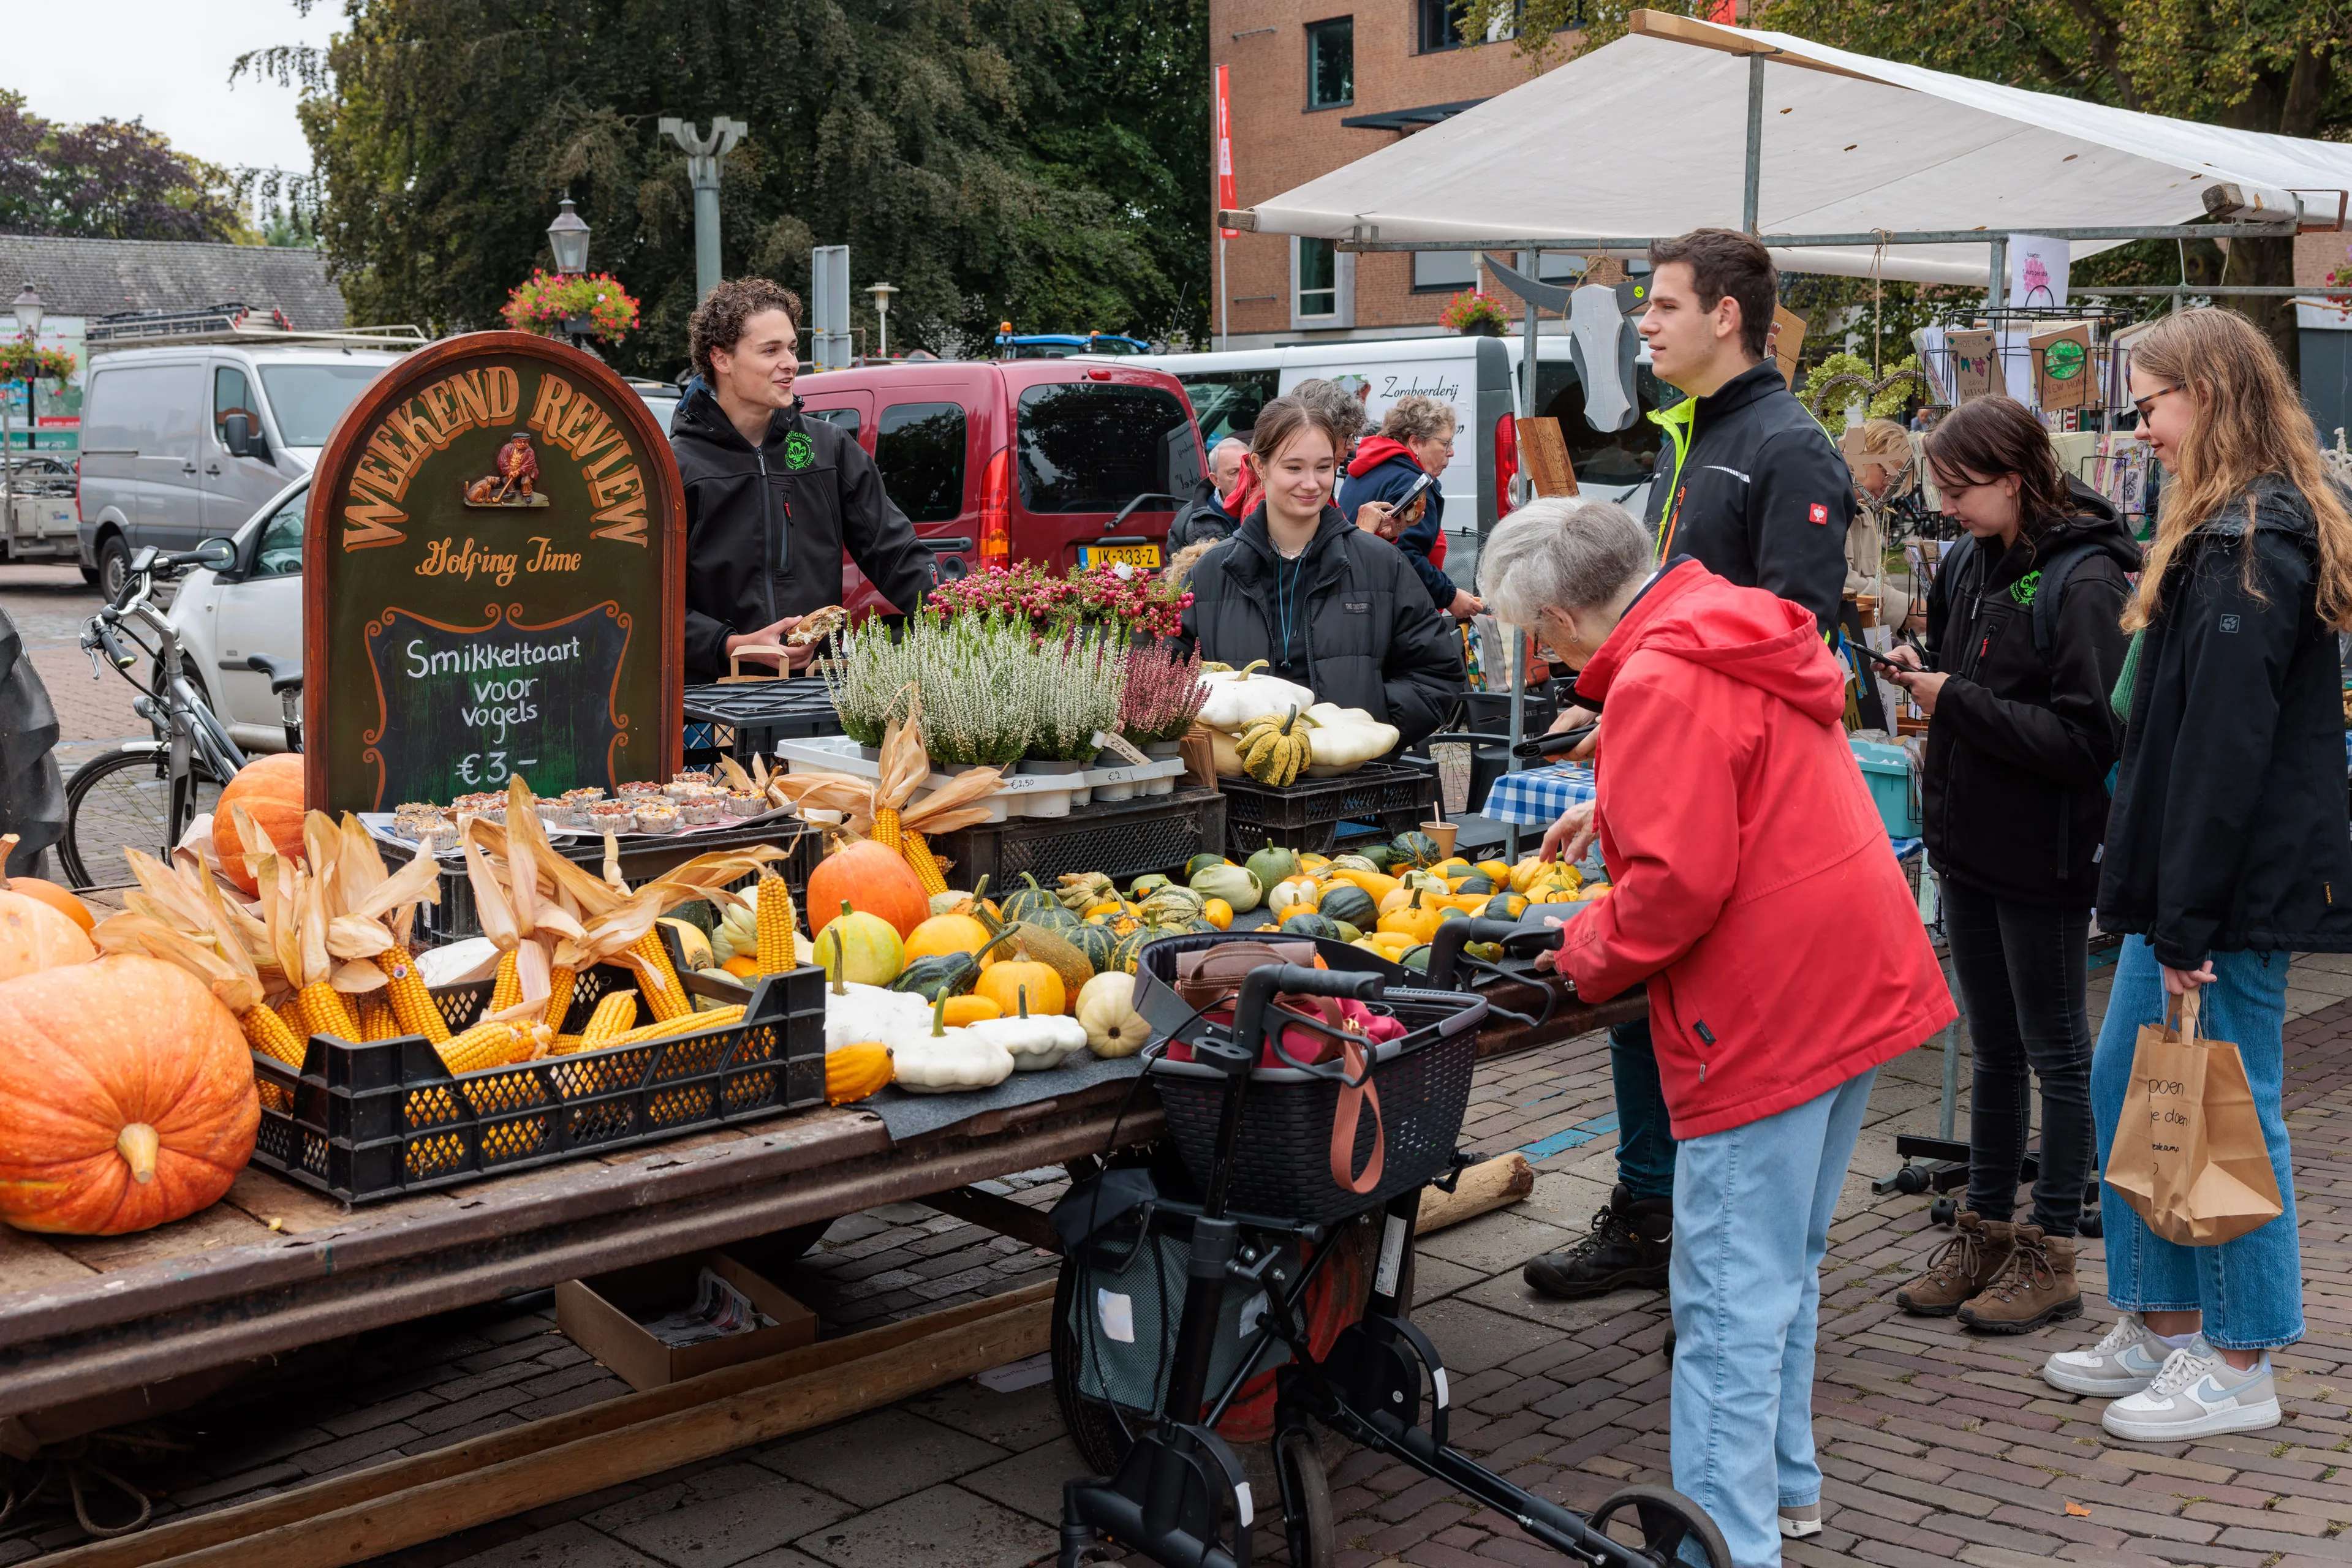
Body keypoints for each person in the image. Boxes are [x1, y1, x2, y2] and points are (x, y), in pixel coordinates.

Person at [1480, 497, 1953, 1564]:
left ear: (1558, 614)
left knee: (1727, 1293)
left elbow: (1674, 890)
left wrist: (1578, 949)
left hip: (1765, 1008)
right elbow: (1743, 776)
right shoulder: (1731, 624)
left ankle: (1720, 1546)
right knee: (1785, 1262)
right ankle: (1782, 1491)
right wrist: (1614, 801)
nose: (1543, 653)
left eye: (1538, 633)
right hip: (1853, 974)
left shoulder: (1654, 678)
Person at [1523, 227, 1855, 1303]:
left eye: (1660, 306)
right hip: (1672, 779)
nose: (1641, 327)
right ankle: (1648, 1212)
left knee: (1681, 998)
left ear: (1724, 316)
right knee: (1638, 1000)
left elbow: (1785, 648)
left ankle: (1698, 1259)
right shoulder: (1690, 434)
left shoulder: (1787, 448)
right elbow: (1669, 635)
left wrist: (1655, 767)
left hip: (1737, 817)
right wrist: (1618, 763)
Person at [2040, 308, 2352, 1441]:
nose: (2143, 425)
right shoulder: (2224, 529)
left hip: (2219, 893)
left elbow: (2223, 754)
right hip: (2186, 886)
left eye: (2153, 401)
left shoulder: (2244, 544)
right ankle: (2165, 1325)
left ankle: (2237, 1357)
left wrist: (2183, 921)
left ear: (2207, 397)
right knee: (2137, 1078)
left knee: (2226, 1106)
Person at [1876, 397, 2135, 1332]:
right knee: (1991, 1046)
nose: (1945, 506)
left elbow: (2089, 735)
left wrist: (1956, 700)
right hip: (1968, 841)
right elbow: (1969, 679)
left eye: (1958, 488)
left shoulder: (2085, 580)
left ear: (2013, 476)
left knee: (2056, 1051)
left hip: (2046, 850)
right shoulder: (1966, 561)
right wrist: (1925, 670)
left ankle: (2051, 1250)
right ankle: (1983, 1228)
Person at [669, 278, 936, 682]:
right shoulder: (674, 467)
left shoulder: (829, 450)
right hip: (711, 702)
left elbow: (896, 554)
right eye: (770, 350)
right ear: (721, 359)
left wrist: (967, 617)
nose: (791, 362)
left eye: (792, 347)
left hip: (815, 691)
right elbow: (645, 601)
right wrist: (731, 644)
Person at [1178, 396, 1462, 749]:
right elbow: (1168, 676)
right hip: (1244, 791)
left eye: (1324, 468)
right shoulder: (1212, 573)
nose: (1311, 484)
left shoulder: (1381, 565)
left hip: (1356, 790)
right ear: (1260, 467)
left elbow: (1436, 674)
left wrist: (1368, 731)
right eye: (1294, 468)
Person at [1338, 394, 1483, 621]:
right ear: (1415, 442)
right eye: (1445, 443)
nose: (1451, 452)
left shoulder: (1370, 467)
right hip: (1389, 613)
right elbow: (1406, 558)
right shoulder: (1412, 485)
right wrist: (1451, 596)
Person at [1168, 436, 1250, 550]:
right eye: (1234, 472)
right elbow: (1176, 567)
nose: (1244, 477)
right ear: (1216, 480)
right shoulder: (1186, 520)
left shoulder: (1269, 508)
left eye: (1248, 468)